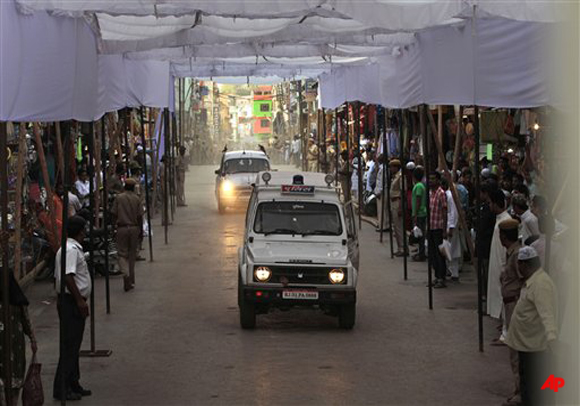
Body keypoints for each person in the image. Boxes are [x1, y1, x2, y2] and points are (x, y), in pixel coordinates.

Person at [505, 246, 558, 406]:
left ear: (524, 265)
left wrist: (552, 338)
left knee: (537, 388)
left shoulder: (541, 284)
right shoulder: (534, 281)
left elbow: (547, 314)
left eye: (519, 264)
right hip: (526, 345)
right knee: (528, 385)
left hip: (535, 347)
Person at [53, 216, 92, 401]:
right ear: (80, 231)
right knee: (69, 346)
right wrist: (79, 301)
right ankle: (62, 387)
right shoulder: (69, 250)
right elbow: (68, 277)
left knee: (74, 345)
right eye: (84, 230)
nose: (85, 233)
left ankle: (73, 382)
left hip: (73, 301)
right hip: (70, 302)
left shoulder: (73, 248)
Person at [0, 230, 37, 403]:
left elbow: (24, 313)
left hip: (13, 347)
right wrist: (32, 338)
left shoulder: (10, 291)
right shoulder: (11, 289)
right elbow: (25, 313)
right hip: (13, 348)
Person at [498, 218, 523, 406]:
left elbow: (523, 281)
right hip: (510, 304)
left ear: (503, 236)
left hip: (516, 305)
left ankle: (520, 391)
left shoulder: (517, 255)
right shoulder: (512, 252)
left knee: (516, 351)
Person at [111, 179, 144, 292]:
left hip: (122, 228)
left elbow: (113, 213)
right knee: (132, 255)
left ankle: (125, 275)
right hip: (134, 228)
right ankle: (131, 279)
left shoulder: (119, 198)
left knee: (121, 254)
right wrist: (140, 230)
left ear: (124, 186)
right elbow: (140, 216)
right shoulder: (137, 199)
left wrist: (113, 227)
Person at [487, 190, 512, 322]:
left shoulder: (506, 221)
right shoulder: (500, 220)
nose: (489, 206)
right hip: (496, 262)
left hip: (501, 263)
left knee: (501, 293)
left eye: (490, 203)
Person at [428, 172, 448, 288]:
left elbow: (445, 211)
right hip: (431, 226)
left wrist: (444, 229)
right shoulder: (430, 193)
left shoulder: (441, 193)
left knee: (439, 254)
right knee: (433, 254)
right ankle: (437, 276)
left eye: (433, 179)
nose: (431, 181)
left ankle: (441, 277)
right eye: (430, 179)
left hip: (438, 227)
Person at [441, 177, 461, 281]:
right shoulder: (448, 195)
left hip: (451, 225)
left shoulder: (449, 196)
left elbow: (453, 212)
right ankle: (452, 271)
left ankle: (454, 272)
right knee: (450, 249)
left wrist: (451, 227)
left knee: (451, 250)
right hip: (450, 224)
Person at [389, 159, 405, 256]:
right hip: (393, 202)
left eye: (392, 167)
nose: (390, 169)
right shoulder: (395, 177)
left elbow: (402, 192)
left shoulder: (400, 177)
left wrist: (400, 207)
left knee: (399, 227)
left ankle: (402, 248)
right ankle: (400, 247)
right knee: (396, 226)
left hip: (397, 202)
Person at [411, 166, 427, 261]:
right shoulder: (420, 185)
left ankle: (421, 254)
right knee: (419, 234)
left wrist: (415, 214)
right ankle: (420, 252)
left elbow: (418, 200)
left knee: (420, 235)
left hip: (420, 213)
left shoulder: (419, 186)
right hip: (420, 212)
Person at [373, 155, 388, 232]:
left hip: (381, 191)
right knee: (384, 209)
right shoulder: (383, 168)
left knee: (381, 209)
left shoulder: (382, 169)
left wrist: (378, 192)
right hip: (382, 190)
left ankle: (382, 226)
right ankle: (384, 224)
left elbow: (381, 182)